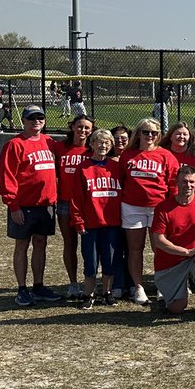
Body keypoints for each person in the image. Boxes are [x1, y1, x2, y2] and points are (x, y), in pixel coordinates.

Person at [0, 105, 63, 306]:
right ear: (24, 121)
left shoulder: (49, 142)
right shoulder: (15, 144)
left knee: (41, 243)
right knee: (22, 245)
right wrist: (13, 205)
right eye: (31, 118)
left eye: (40, 117)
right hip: (24, 205)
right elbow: (6, 175)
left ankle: (38, 286)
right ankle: (22, 289)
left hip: (46, 204)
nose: (36, 121)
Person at [150, 165, 195, 322]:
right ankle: (170, 296)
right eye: (184, 181)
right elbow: (159, 241)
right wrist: (186, 252)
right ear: (176, 182)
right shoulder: (163, 208)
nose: (188, 185)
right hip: (169, 264)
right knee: (177, 308)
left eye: (192, 182)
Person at [119, 118, 180, 305]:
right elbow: (121, 180)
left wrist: (172, 208)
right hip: (132, 207)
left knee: (160, 249)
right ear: (138, 134)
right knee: (135, 250)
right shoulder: (127, 155)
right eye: (146, 132)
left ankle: (162, 285)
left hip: (158, 208)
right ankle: (138, 287)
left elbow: (173, 184)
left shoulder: (166, 155)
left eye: (154, 132)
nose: (150, 136)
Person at [69, 128, 125, 307]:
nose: (103, 145)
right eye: (99, 142)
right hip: (91, 224)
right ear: (92, 144)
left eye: (107, 142)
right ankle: (89, 294)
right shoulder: (83, 167)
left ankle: (107, 292)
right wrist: (78, 220)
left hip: (112, 223)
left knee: (109, 261)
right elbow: (76, 197)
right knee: (91, 262)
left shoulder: (116, 167)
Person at [55, 115, 94, 297]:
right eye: (80, 126)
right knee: (70, 243)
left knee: (90, 245)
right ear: (72, 127)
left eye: (87, 128)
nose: (83, 131)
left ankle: (91, 282)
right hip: (65, 203)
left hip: (88, 204)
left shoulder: (92, 149)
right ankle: (73, 283)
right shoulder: (60, 147)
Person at [160, 121, 195, 199]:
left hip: (191, 200)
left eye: (185, 134)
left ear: (190, 137)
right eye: (178, 134)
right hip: (165, 199)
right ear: (170, 136)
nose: (181, 137)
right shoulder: (162, 155)